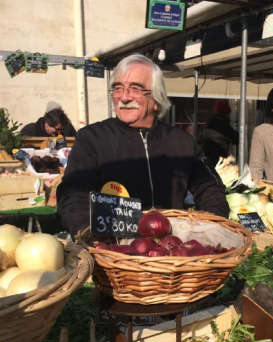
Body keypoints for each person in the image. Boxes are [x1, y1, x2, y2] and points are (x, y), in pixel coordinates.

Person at [57, 54, 229, 237]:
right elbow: (72, 193)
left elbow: (210, 188)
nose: (124, 97)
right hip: (114, 250)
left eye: (135, 89)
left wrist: (211, 229)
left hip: (171, 252)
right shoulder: (92, 138)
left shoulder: (182, 143)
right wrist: (89, 232)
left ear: (156, 99)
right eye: (118, 88)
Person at [198, 100, 239, 167]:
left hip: (205, 156)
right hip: (217, 157)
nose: (229, 116)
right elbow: (237, 139)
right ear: (226, 113)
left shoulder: (209, 122)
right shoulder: (223, 125)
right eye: (229, 113)